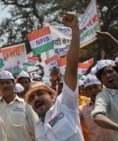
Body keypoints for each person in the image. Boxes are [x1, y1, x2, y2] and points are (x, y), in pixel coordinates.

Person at [24, 11, 84, 141]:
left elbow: (71, 69)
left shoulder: (65, 104)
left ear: (52, 96)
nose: (36, 99)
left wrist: (74, 30)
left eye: (40, 93)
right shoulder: (38, 126)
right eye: (32, 98)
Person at [79, 75, 111, 141]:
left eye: (95, 87)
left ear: (101, 86)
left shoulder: (111, 102)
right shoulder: (82, 110)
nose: (93, 90)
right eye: (89, 88)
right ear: (86, 92)